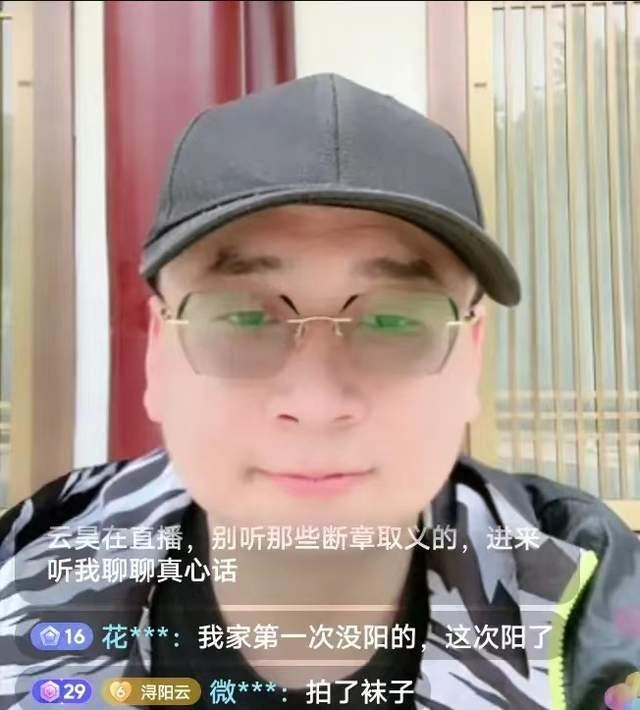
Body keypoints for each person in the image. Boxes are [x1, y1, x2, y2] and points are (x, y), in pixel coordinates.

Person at [0, 73, 638, 710]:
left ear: (470, 358)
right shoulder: (22, 583)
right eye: (241, 318)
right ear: (158, 358)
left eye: (395, 322)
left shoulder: (603, 615)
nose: (316, 404)